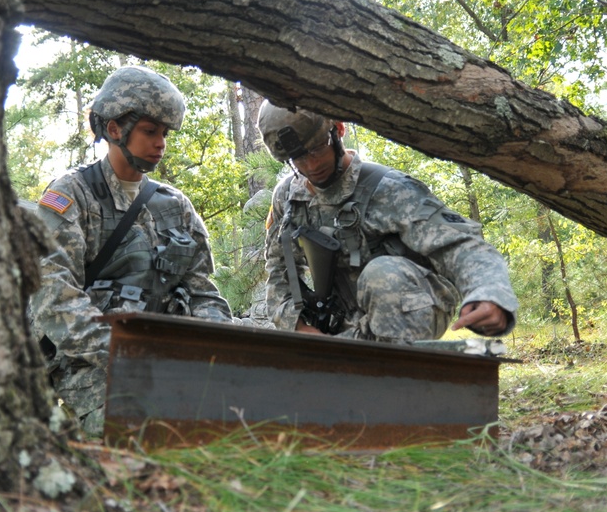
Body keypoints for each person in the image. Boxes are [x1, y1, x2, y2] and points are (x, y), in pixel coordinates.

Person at [28, 66, 232, 435]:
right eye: (150, 131)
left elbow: (203, 292)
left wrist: (215, 345)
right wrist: (128, 354)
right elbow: (55, 299)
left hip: (166, 358)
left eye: (165, 133)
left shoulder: (174, 205)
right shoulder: (72, 195)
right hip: (90, 363)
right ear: (114, 129)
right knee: (134, 427)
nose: (161, 144)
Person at [260, 102, 518, 344]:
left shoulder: (390, 189)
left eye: (317, 149)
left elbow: (460, 244)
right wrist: (297, 327)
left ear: (338, 129)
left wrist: (488, 292)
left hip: (411, 307)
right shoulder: (288, 198)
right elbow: (278, 267)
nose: (311, 164)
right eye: (298, 158)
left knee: (382, 274)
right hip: (342, 323)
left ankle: (400, 377)